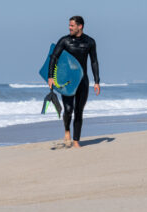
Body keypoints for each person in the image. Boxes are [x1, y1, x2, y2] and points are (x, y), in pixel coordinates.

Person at [48, 15, 100, 148]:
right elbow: (53, 57)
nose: (69, 28)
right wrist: (50, 77)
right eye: (69, 25)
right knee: (68, 109)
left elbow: (94, 61)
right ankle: (67, 131)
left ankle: (76, 140)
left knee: (79, 110)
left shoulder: (90, 42)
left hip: (83, 81)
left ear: (80, 26)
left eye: (72, 25)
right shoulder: (64, 41)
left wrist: (97, 81)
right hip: (67, 81)